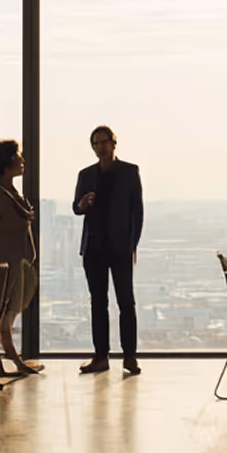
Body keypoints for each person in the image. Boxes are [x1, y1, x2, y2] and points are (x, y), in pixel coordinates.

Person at [72, 125, 143, 375]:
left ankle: (130, 357)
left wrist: (132, 245)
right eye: (96, 143)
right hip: (93, 248)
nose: (100, 147)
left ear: (114, 143)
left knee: (126, 303)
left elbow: (137, 212)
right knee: (98, 304)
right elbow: (76, 207)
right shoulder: (85, 174)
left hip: (121, 248)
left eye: (104, 142)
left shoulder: (129, 172)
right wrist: (81, 205)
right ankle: (100, 356)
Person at [0, 139, 43, 377]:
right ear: (8, 165)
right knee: (0, 312)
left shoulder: (11, 193)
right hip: (4, 263)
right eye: (18, 156)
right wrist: (28, 217)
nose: (22, 160)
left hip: (15, 261)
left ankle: (9, 359)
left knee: (7, 313)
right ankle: (0, 360)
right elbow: (14, 223)